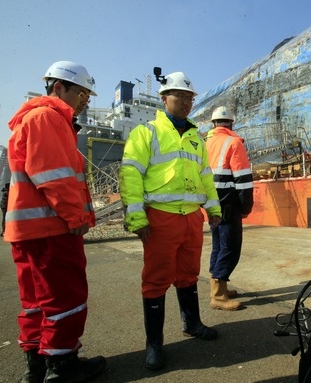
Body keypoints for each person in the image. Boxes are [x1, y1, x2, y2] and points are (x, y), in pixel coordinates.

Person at [5, 60, 106, 383]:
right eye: (81, 93)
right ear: (58, 87)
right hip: (52, 229)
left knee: (36, 303)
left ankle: (35, 364)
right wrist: (75, 216)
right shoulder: (48, 118)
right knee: (66, 298)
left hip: (28, 230)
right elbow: (53, 176)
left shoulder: (33, 119)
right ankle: (62, 366)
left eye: (88, 96)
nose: (85, 100)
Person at [119, 69, 222, 371]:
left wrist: (213, 209)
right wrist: (137, 217)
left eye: (191, 98)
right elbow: (131, 173)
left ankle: (192, 323)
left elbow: (206, 177)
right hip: (161, 219)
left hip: (191, 219)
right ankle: (155, 344)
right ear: (165, 99)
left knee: (188, 274)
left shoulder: (196, 139)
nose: (188, 102)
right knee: (156, 280)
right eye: (181, 96)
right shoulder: (147, 132)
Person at [205, 106, 254, 310]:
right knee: (230, 247)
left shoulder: (205, 143)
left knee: (218, 245)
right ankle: (218, 296)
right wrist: (245, 207)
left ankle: (219, 287)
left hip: (212, 204)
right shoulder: (234, 142)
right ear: (231, 123)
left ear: (213, 124)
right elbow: (242, 180)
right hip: (228, 204)